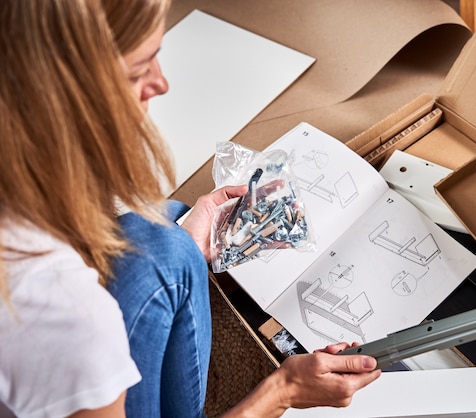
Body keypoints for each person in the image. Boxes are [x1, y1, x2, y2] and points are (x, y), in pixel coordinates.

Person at [0, 0, 381, 417]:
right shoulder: (68, 315)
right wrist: (282, 391)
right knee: (168, 246)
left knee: (168, 225)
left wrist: (185, 243)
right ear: (60, 98)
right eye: (137, 71)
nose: (161, 84)